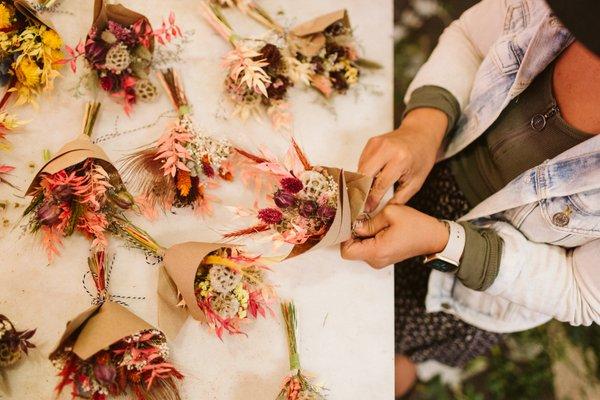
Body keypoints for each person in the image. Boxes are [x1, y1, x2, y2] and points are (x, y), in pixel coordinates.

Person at [340, 0, 600, 397]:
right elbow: (471, 38)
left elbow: (581, 290)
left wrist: (443, 242)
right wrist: (424, 125)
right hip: (427, 172)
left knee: (372, 349)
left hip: (476, 282)